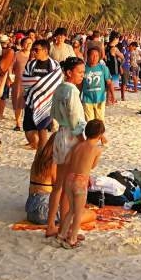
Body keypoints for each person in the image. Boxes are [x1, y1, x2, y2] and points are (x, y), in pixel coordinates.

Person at [45, 57, 88, 236]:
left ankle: (51, 226)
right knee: (69, 186)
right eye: (80, 72)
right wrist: (83, 141)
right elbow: (75, 119)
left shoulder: (59, 89)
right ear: (69, 73)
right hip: (71, 137)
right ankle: (63, 226)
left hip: (60, 135)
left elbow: (53, 113)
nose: (82, 76)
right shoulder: (72, 91)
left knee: (59, 185)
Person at [55, 118, 106, 248]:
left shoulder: (77, 145)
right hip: (80, 181)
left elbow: (67, 159)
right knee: (78, 212)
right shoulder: (96, 149)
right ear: (100, 135)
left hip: (69, 178)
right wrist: (102, 145)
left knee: (71, 210)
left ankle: (61, 235)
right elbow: (93, 166)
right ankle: (72, 239)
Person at [21, 39, 61, 150]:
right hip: (31, 101)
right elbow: (25, 81)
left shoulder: (54, 65)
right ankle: (38, 147)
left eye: (36, 49)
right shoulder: (31, 64)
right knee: (29, 132)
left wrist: (38, 82)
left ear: (45, 50)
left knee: (42, 129)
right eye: (33, 49)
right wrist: (38, 82)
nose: (33, 52)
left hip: (47, 103)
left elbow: (56, 82)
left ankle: (42, 153)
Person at [26, 137, 58, 226]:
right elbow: (58, 189)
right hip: (44, 213)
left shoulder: (37, 161)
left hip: (31, 211)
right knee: (89, 214)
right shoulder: (53, 164)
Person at [81, 45, 109, 122]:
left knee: (100, 121)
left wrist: (111, 95)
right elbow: (80, 84)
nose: (94, 57)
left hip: (100, 99)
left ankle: (99, 134)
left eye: (96, 56)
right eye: (92, 55)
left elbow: (109, 82)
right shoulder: (83, 68)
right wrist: (79, 96)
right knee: (89, 122)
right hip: (87, 99)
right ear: (88, 56)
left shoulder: (103, 68)